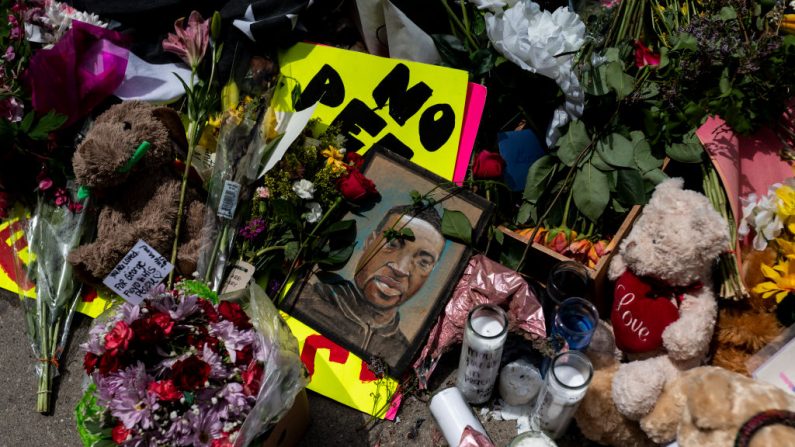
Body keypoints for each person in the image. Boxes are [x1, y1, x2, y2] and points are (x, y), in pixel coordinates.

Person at [301, 204, 445, 364]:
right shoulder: (303, 299)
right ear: (370, 241)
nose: (401, 269)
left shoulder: (403, 356)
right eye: (392, 244)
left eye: (423, 262)